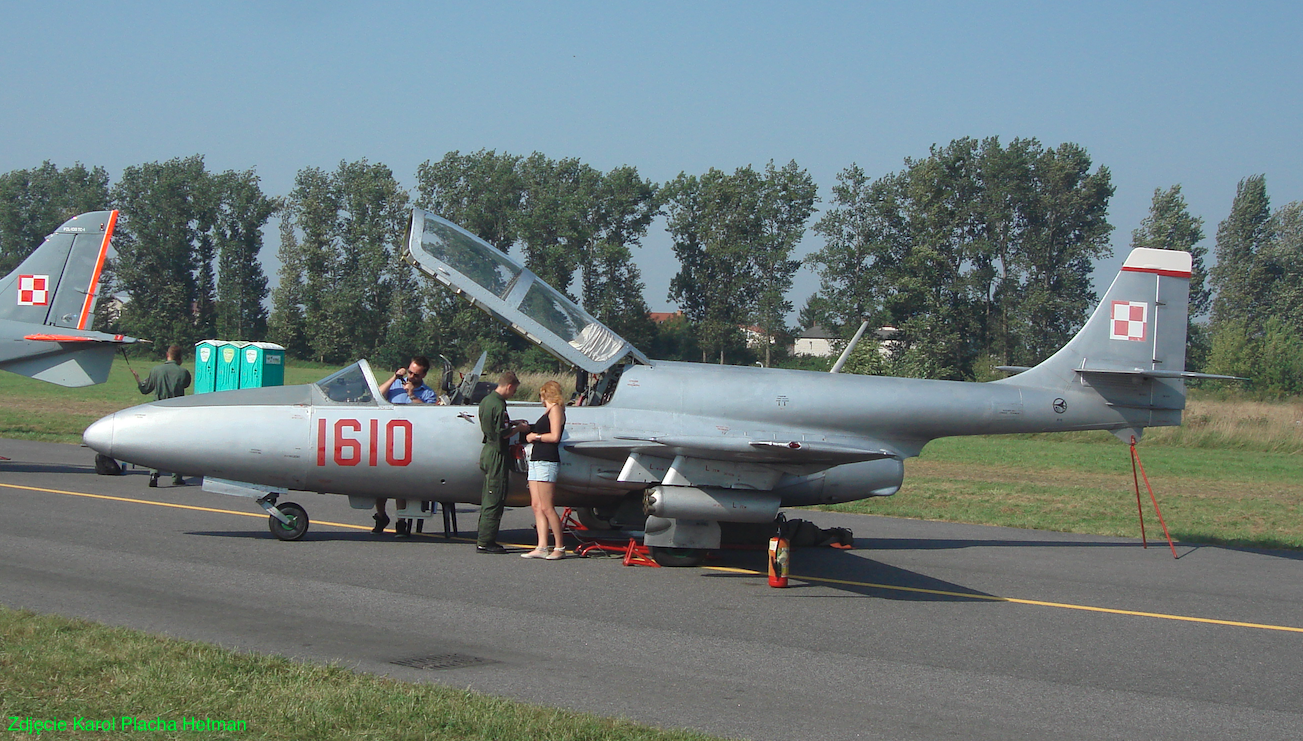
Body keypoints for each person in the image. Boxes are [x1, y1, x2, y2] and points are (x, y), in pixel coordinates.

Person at [373, 356, 440, 536]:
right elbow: (377, 395)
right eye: (409, 372)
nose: (411, 377)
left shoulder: (427, 393)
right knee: (379, 484)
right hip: (387, 440)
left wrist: (411, 395)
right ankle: (380, 516)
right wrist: (395, 377)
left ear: (424, 375)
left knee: (398, 486)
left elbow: (429, 413)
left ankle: (401, 522)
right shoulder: (396, 385)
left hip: (409, 443)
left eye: (416, 375)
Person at [476, 370, 529, 553]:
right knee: (494, 497)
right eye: (513, 391)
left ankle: (485, 537)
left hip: (488, 451)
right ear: (509, 386)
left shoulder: (486, 401)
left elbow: (495, 424)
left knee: (489, 495)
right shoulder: (498, 405)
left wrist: (512, 423)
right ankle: (486, 541)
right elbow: (502, 432)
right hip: (497, 453)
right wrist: (519, 428)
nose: (513, 393)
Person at [131, 345, 192, 487]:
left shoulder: (156, 370)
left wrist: (138, 380)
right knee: (176, 445)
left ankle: (154, 472)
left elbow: (145, 389)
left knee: (156, 444)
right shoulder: (183, 372)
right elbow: (186, 384)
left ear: (167, 355)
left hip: (158, 412)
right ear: (180, 358)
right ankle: (177, 475)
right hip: (176, 412)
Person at [521, 380, 567, 560]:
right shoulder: (548, 411)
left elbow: (555, 436)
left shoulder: (556, 410)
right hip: (537, 459)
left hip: (547, 459)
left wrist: (535, 436)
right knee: (537, 505)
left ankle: (559, 546)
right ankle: (541, 546)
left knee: (547, 506)